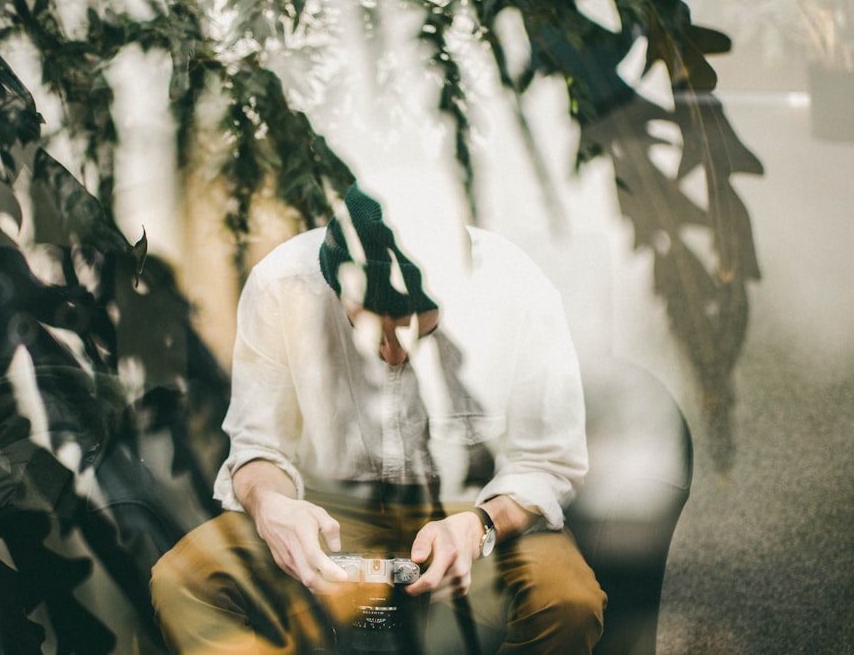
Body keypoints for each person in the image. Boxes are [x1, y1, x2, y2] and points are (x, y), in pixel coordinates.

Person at [150, 182, 606, 654]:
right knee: (182, 584)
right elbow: (258, 447)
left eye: (416, 330)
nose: (391, 352)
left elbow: (548, 463)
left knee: (568, 605)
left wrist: (478, 526)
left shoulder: (518, 292)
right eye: (365, 327)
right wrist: (272, 508)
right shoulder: (282, 285)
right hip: (327, 509)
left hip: (478, 509)